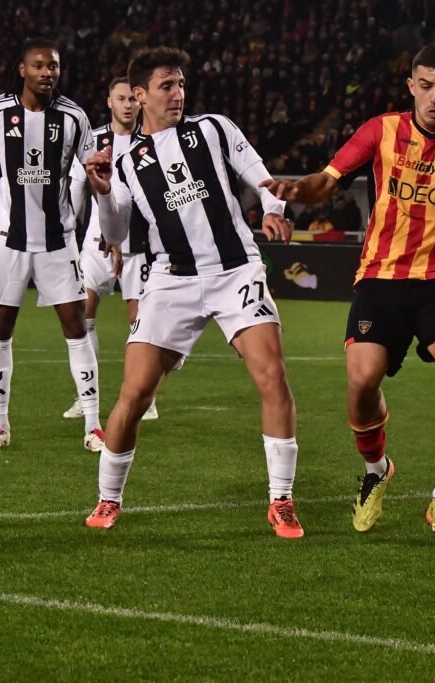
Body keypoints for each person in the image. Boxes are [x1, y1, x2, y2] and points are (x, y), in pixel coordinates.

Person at [263, 43, 435, 538]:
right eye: (426, 86)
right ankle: (376, 471)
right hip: (381, 276)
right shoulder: (382, 130)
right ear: (411, 86)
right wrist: (295, 190)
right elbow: (326, 181)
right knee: (362, 382)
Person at [83, 46, 304, 538]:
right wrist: (102, 192)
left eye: (181, 84)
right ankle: (108, 499)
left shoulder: (214, 129)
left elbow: (263, 177)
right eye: (166, 86)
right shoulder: (125, 161)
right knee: (135, 392)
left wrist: (274, 210)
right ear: (140, 95)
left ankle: (282, 500)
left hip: (236, 271)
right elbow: (115, 231)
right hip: (172, 278)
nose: (178, 93)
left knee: (272, 375)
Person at [0, 37, 103, 453]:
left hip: (58, 240)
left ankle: (94, 426)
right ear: (22, 70)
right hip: (8, 240)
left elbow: (95, 173)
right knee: (0, 330)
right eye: (38, 65)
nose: (47, 73)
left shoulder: (74, 117)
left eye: (53, 66)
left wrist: (109, 224)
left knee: (76, 328)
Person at [63, 77, 159, 423]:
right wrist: (67, 232)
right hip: (96, 245)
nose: (128, 105)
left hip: (138, 247)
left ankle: (145, 397)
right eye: (121, 99)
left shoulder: (151, 141)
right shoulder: (92, 141)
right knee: (82, 316)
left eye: (132, 99)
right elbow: (76, 186)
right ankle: (85, 394)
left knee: (139, 322)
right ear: (109, 102)